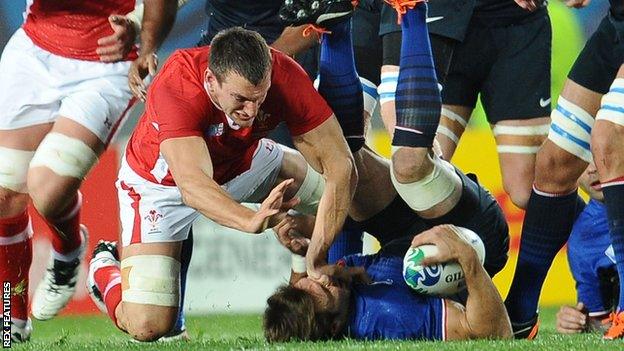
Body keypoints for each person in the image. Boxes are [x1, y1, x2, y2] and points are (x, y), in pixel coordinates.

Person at [87, 27, 356, 342]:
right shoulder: (178, 82)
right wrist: (249, 220)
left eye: (260, 97)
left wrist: (316, 252)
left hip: (245, 164)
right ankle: (104, 271)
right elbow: (193, 186)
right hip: (161, 190)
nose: (252, 111)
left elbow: (341, 167)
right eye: (241, 99)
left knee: (346, 199)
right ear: (211, 81)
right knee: (147, 326)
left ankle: (304, 261)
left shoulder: (283, 73)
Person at [0, 0, 178, 342]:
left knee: (47, 190)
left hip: (105, 64)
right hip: (34, 53)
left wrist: (145, 40)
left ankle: (68, 251)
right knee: (5, 192)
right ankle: (12, 323)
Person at [502, 1, 624, 339]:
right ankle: (520, 315)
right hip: (618, 23)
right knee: (554, 164)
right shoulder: (584, 240)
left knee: (609, 135)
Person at [263, 224, 513, 341]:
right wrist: (468, 258)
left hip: (409, 232)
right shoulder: (395, 318)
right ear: (334, 327)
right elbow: (494, 335)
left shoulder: (343, 293)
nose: (324, 278)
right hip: (483, 235)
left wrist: (300, 256)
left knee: (341, 191)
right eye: (325, 289)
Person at [435, 0, 554, 209]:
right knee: (421, 172)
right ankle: (483, 227)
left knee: (525, 189)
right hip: (443, 24)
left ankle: (599, 234)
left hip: (516, 25)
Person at [556, 164, 619, 334]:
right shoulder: (584, 238)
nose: (591, 169)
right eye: (581, 159)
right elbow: (602, 322)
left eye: (597, 152)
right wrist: (578, 323)